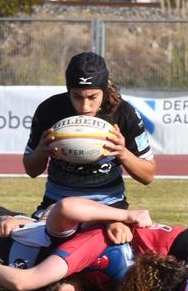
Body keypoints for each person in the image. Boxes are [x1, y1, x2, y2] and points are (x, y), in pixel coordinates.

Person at [23, 51, 155, 216]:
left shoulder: (123, 113)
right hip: (56, 204)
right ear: (68, 89)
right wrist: (41, 152)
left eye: (93, 97)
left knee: (119, 240)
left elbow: (148, 176)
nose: (85, 106)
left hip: (110, 208)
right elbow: (31, 170)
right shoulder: (49, 110)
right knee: (35, 241)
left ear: (104, 90)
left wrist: (123, 153)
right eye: (77, 96)